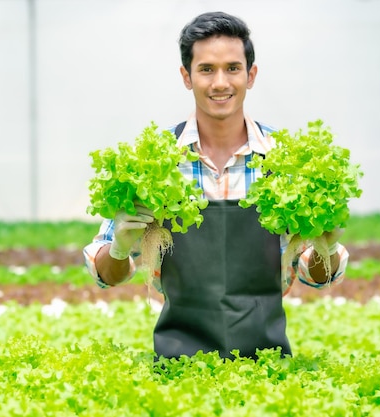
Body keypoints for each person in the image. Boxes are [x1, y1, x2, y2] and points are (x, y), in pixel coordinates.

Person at [83, 11, 349, 361]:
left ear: (251, 75)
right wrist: (119, 248)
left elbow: (318, 277)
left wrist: (326, 250)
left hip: (266, 362)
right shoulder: (156, 163)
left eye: (232, 68)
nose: (220, 82)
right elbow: (107, 276)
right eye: (206, 69)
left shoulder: (286, 162)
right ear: (186, 77)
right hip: (178, 364)